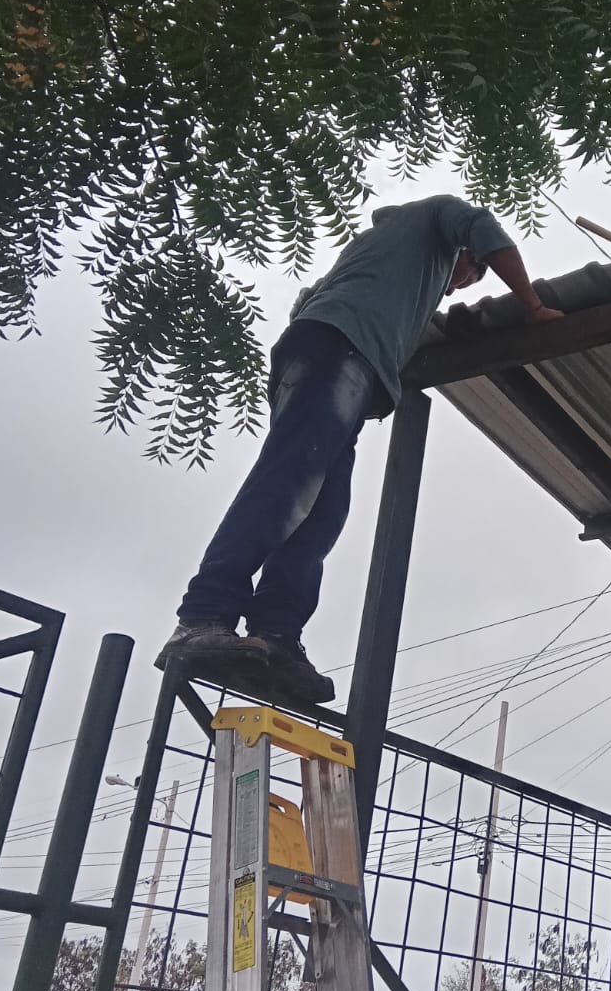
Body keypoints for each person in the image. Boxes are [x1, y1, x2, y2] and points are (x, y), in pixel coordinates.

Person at [156, 195, 563, 705]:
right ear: (467, 253)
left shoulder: (382, 270)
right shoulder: (437, 220)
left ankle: (277, 634)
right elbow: (485, 227)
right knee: (288, 484)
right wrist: (533, 306)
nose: (456, 287)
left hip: (333, 357)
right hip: (336, 349)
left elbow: (305, 301)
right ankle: (203, 616)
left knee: (322, 511)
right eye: (467, 276)